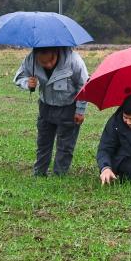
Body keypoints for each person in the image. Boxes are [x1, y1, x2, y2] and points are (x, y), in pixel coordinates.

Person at [12, 45, 89, 176]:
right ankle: (39, 173)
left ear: (56, 52)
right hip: (45, 106)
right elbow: (18, 78)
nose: (47, 65)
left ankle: (60, 174)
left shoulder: (74, 60)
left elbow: (84, 86)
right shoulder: (30, 59)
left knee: (65, 146)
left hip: (68, 107)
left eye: (51, 60)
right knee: (43, 143)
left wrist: (80, 110)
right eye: (43, 62)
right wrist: (27, 83)